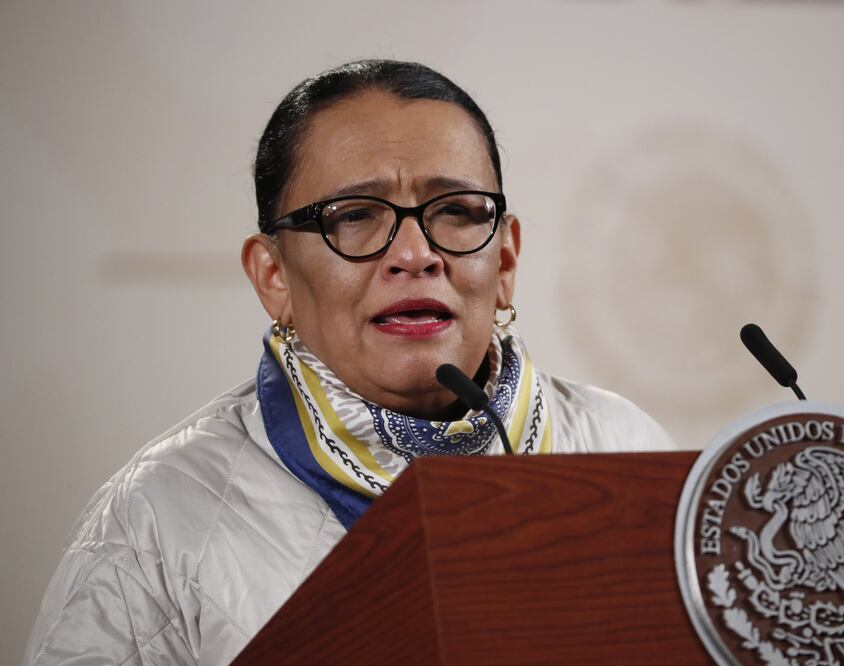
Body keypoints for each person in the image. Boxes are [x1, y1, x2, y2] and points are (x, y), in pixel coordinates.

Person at [24, 59, 675, 665]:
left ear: (503, 261)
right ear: (273, 274)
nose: (415, 254)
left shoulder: (625, 450)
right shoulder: (158, 516)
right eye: (355, 216)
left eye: (454, 211)